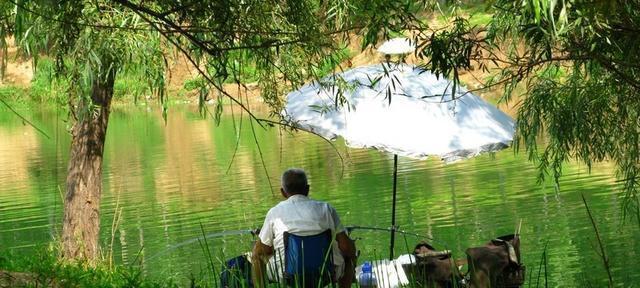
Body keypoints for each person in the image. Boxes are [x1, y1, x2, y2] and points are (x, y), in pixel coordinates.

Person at [251, 168, 356, 288]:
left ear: (283, 192)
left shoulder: (274, 213)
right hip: (326, 273)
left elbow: (261, 251)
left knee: (256, 256)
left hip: (288, 276)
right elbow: (346, 247)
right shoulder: (326, 209)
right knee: (348, 255)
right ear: (307, 189)